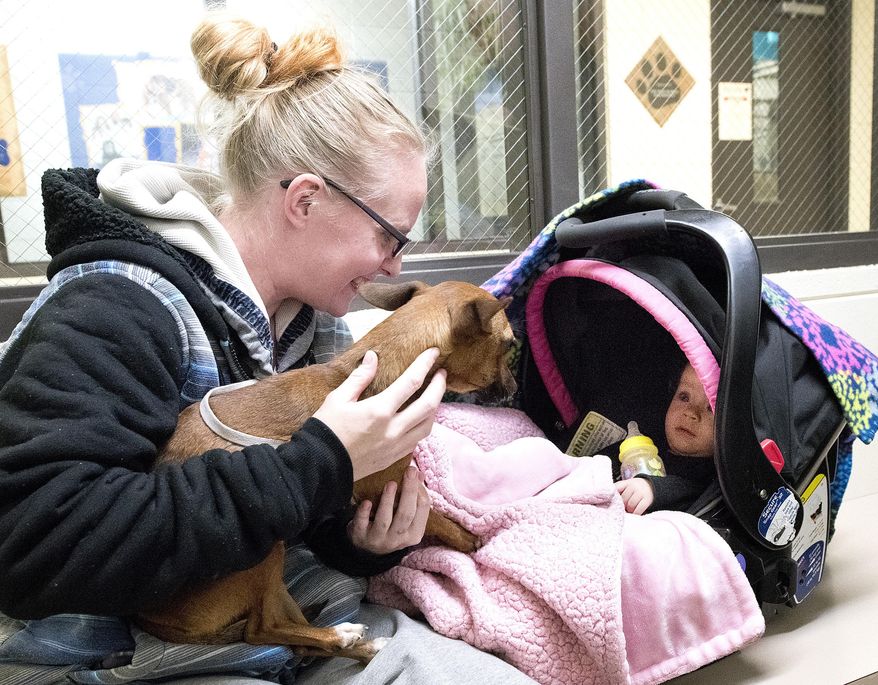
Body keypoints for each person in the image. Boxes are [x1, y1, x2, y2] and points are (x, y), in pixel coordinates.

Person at [0, 13, 536, 685]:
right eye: (388, 236)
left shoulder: (319, 325)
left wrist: (361, 540)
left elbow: (292, 521)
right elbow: (38, 545)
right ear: (307, 200)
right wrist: (321, 463)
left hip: (288, 625)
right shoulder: (118, 305)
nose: (395, 266)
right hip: (117, 649)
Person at [614, 363, 716, 515]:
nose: (691, 413)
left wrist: (652, 489)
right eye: (684, 397)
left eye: (711, 408)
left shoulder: (710, 472)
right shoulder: (652, 438)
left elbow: (689, 490)